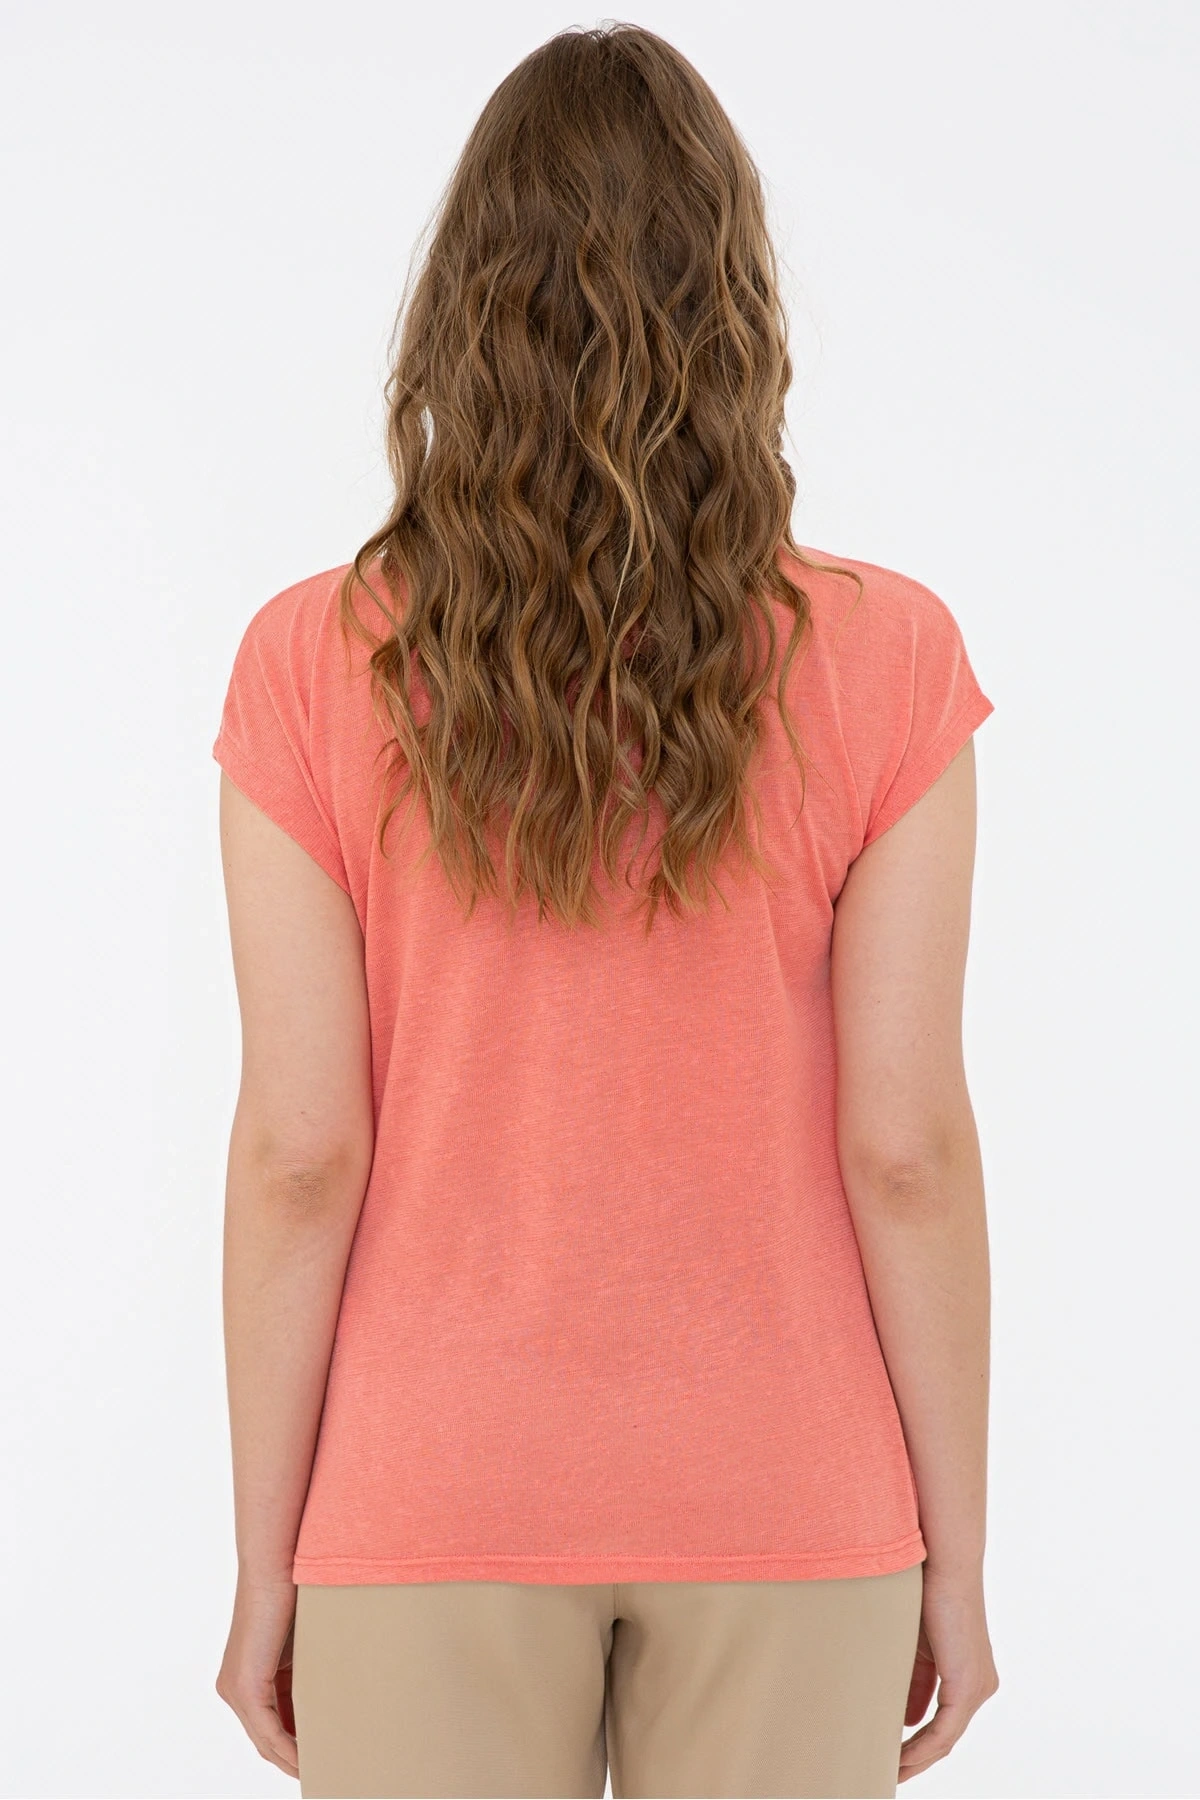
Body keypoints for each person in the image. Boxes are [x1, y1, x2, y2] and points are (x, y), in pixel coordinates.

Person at [211, 23, 999, 1800]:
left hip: (428, 1502)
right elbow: (908, 1151)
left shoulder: (307, 662)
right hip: (790, 1498)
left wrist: (269, 1561)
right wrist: (952, 1550)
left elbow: (299, 1157)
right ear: (738, 311)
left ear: (463, 314)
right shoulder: (888, 656)